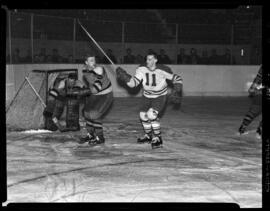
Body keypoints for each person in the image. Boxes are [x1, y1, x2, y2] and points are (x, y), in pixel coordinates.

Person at [116, 52, 183, 149]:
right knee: (143, 115)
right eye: (147, 59)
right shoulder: (141, 69)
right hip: (146, 96)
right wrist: (126, 78)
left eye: (150, 59)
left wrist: (177, 90)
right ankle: (148, 136)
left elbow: (177, 78)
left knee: (151, 114)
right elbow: (134, 83)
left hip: (159, 96)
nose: (148, 61)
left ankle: (158, 137)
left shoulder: (162, 70)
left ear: (156, 60)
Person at [78, 54, 114, 145]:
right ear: (86, 62)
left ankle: (100, 137)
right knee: (86, 113)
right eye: (90, 60)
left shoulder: (99, 69)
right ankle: (91, 135)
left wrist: (84, 91)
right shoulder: (85, 70)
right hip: (95, 94)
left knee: (95, 114)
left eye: (94, 60)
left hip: (106, 94)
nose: (93, 62)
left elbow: (96, 88)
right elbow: (93, 86)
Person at [238, 65, 262, 139]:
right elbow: (259, 77)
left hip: (259, 90)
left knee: (253, 111)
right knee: (254, 110)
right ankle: (259, 132)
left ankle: (241, 129)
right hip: (261, 91)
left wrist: (252, 88)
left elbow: (258, 77)